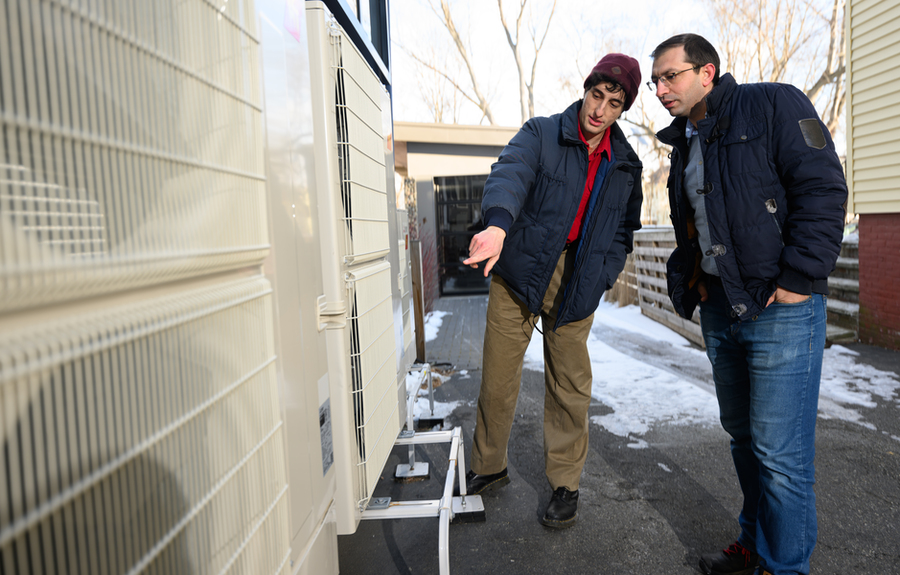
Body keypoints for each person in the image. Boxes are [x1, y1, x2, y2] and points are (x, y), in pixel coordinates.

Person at [648, 34, 847, 575]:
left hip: (781, 309)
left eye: (671, 75)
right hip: (722, 309)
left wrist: (799, 277)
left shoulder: (773, 104)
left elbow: (823, 188)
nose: (661, 88)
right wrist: (701, 282)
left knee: (781, 458)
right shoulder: (685, 138)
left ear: (707, 72)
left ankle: (785, 568)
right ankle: (754, 547)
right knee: (744, 440)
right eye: (655, 80)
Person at [457, 53, 643, 529]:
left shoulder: (626, 165)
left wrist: (604, 273)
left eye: (614, 102)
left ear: (623, 109)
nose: (600, 109)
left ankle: (566, 484)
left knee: (570, 386)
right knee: (498, 379)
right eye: (596, 95)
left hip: (578, 277)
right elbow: (510, 173)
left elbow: (625, 229)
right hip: (519, 270)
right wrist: (497, 226)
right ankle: (489, 466)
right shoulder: (542, 133)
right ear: (586, 90)